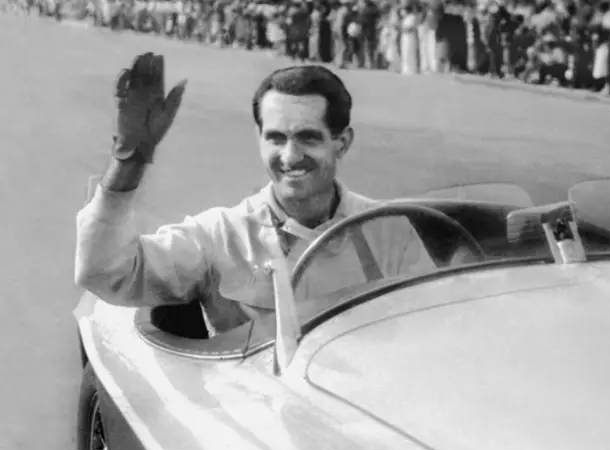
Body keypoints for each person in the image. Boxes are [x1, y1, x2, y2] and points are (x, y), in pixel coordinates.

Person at [75, 58, 435, 337]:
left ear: (342, 142)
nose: (290, 157)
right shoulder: (221, 235)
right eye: (276, 138)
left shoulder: (389, 230)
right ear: (259, 139)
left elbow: (433, 330)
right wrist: (129, 161)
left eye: (308, 138)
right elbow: (107, 273)